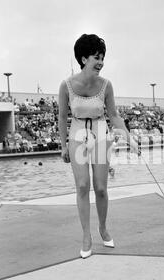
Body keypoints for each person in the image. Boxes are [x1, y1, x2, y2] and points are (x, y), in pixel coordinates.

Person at [58, 34, 139, 259]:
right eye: (96, 57)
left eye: (102, 57)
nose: (101, 62)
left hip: (101, 135)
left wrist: (129, 139)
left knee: (101, 188)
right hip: (76, 136)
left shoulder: (106, 85)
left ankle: (103, 228)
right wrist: (63, 146)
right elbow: (61, 117)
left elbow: (113, 115)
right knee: (82, 186)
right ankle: (86, 236)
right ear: (84, 59)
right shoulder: (66, 85)